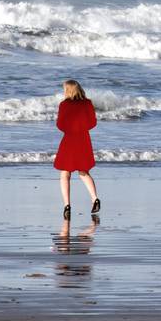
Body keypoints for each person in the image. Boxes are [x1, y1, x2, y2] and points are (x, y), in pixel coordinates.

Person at [54, 79, 100, 221]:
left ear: (68, 90)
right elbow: (93, 122)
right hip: (83, 139)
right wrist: (81, 128)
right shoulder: (87, 103)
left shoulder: (64, 104)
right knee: (83, 171)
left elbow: (60, 124)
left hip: (69, 139)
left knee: (65, 173)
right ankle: (95, 199)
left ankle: (67, 205)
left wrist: (71, 129)